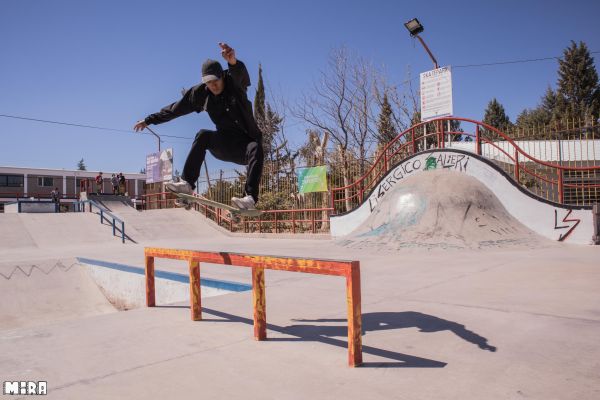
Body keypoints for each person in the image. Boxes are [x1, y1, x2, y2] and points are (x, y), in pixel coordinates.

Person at [134, 43, 263, 210]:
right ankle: (188, 183)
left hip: (244, 146)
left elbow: (239, 74)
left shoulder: (233, 83)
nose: (213, 86)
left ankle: (250, 198)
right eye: (209, 83)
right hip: (224, 144)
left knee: (256, 146)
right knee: (203, 135)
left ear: (222, 77)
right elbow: (175, 109)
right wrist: (149, 120)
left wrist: (233, 62)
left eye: (216, 81)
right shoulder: (200, 94)